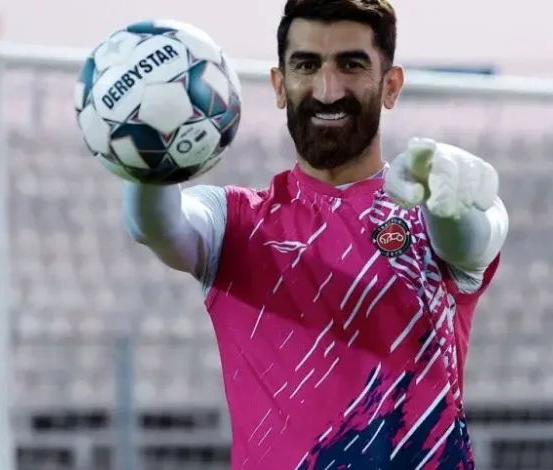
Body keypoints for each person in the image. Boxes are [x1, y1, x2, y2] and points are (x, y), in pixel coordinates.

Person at [122, 0, 509, 467]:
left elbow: (471, 237)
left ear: (391, 86)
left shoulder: (430, 207)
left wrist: (454, 207)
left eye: (351, 65)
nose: (328, 91)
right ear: (279, 85)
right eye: (307, 65)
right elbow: (156, 225)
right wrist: (148, 150)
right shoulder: (236, 222)